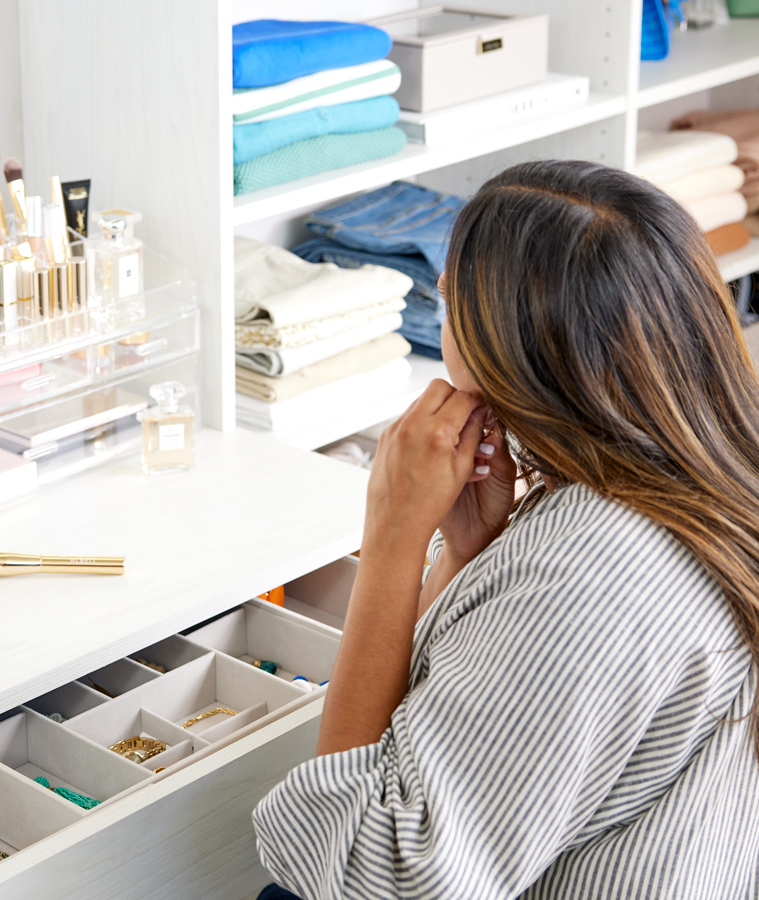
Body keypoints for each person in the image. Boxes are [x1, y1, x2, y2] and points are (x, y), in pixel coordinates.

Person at [252, 160, 759, 899]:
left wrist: (393, 541)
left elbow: (369, 869)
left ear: (505, 348)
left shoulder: (584, 577)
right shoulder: (716, 481)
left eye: (446, 300)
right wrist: (466, 554)